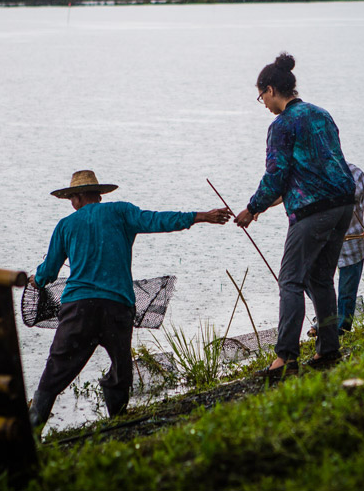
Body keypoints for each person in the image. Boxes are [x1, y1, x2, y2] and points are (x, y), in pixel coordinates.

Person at [28, 170, 230, 430]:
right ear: (98, 196)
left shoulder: (66, 225)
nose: (72, 203)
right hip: (117, 307)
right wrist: (201, 216)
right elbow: (157, 220)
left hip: (79, 308)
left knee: (56, 368)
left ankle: (34, 427)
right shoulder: (122, 212)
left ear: (77, 198)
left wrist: (36, 278)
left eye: (71, 198)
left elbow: (48, 272)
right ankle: (119, 422)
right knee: (121, 367)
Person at [235, 53, 355, 379]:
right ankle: (329, 348)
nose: (262, 104)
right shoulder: (322, 114)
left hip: (312, 210)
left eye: (261, 96)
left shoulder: (282, 125)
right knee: (320, 278)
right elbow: (316, 166)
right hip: (344, 203)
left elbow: (276, 175)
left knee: (290, 280)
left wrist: (253, 208)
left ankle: (285, 356)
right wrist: (267, 203)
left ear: (271, 90)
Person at [333, 163, 364, 334]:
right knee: (311, 282)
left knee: (346, 295)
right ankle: (325, 321)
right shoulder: (314, 173)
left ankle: (341, 334)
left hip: (352, 246)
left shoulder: (356, 174)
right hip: (324, 245)